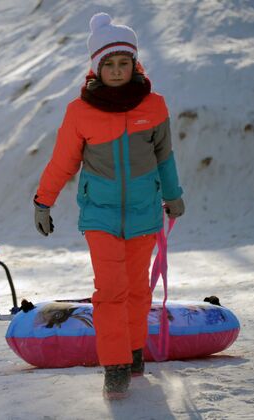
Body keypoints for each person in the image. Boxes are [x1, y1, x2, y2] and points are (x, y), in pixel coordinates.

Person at [33, 13, 184, 399]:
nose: (117, 70)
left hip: (145, 212)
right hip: (99, 214)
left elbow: (165, 156)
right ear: (96, 68)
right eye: (109, 63)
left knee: (137, 290)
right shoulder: (80, 111)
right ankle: (115, 364)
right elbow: (63, 161)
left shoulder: (154, 105)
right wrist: (43, 201)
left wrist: (173, 194)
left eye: (124, 62)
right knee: (111, 290)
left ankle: (134, 350)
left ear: (135, 64)